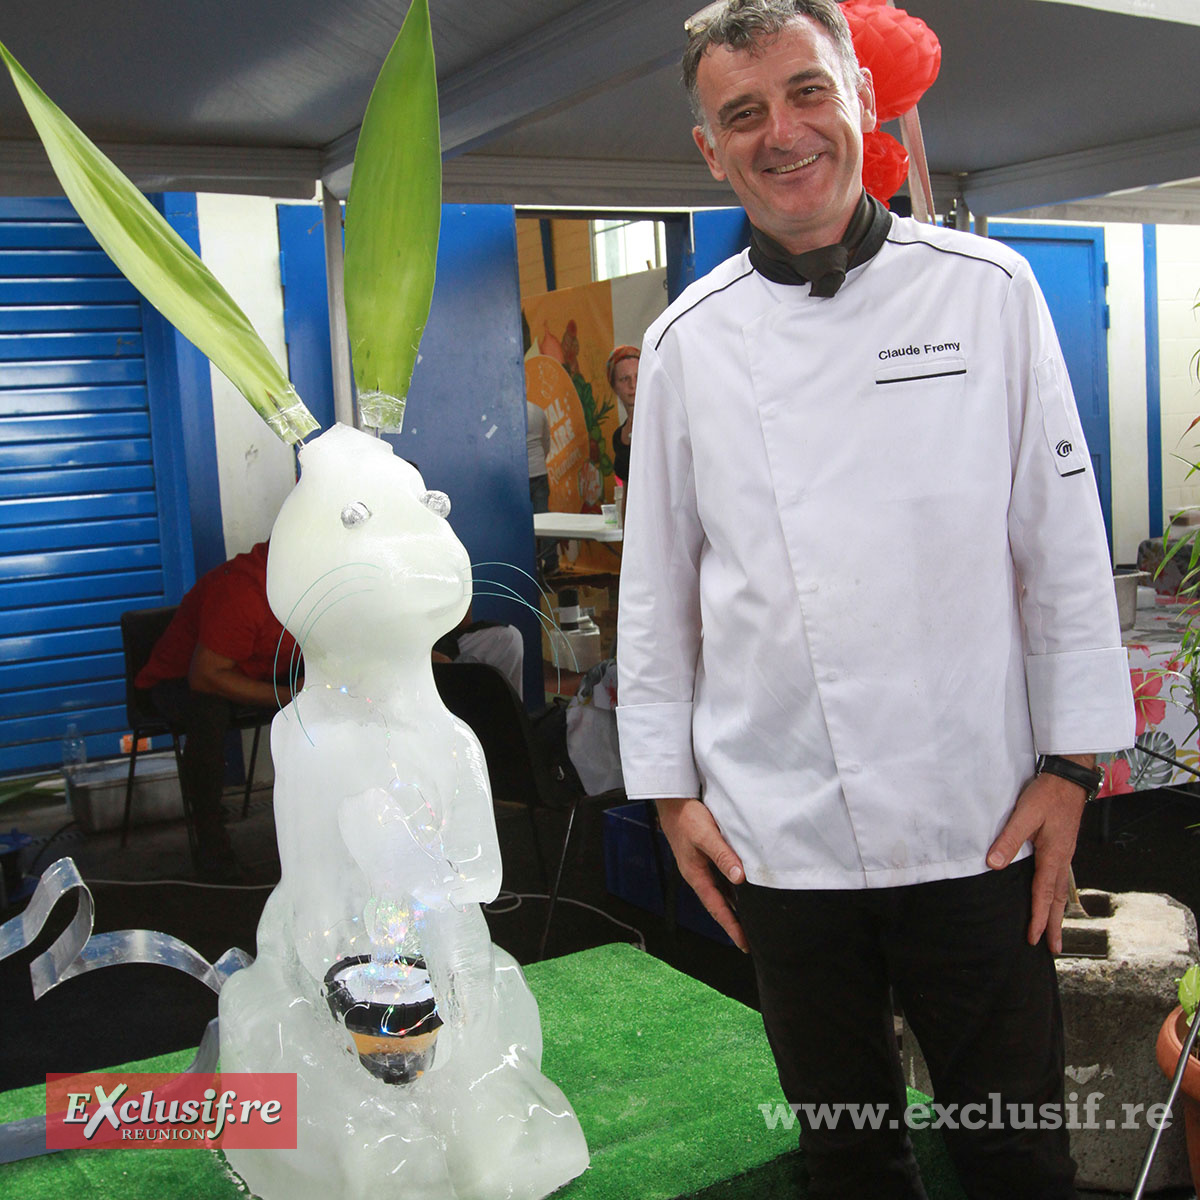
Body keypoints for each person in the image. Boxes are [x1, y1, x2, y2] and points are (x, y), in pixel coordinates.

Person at [615, 3, 1135, 1198]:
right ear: (709, 148)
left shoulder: (987, 291)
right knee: (845, 1152)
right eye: (742, 112)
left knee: (1015, 1154)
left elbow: (1057, 541)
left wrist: (1071, 767)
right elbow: (658, 590)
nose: (782, 132)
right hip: (775, 835)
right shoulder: (689, 341)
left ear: (859, 100)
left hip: (977, 815)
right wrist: (671, 790)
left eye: (807, 93)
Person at [135, 540, 298, 881]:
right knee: (208, 712)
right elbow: (205, 676)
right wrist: (292, 695)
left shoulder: (319, 585)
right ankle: (211, 840)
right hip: (182, 680)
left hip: (253, 669)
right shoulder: (243, 589)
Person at [607, 345, 640, 483]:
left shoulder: (662, 424)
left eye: (638, 377)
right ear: (614, 386)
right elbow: (626, 486)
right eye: (625, 379)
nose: (633, 385)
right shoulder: (619, 437)